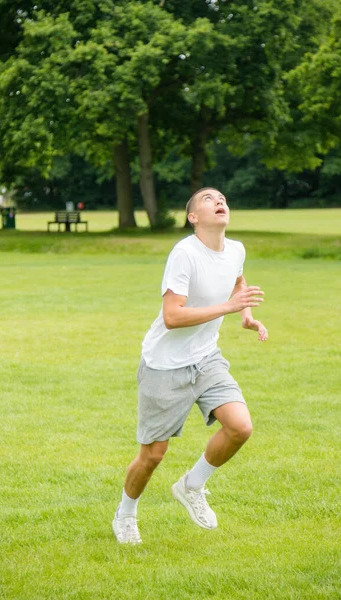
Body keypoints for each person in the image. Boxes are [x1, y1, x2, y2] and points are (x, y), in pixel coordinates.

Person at [112, 187, 268, 544]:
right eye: (208, 198)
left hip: (206, 357)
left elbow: (237, 281)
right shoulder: (184, 253)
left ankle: (191, 485)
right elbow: (172, 316)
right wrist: (228, 308)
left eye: (223, 198)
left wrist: (245, 314)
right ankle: (126, 513)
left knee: (240, 427)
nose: (219, 201)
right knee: (153, 454)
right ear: (193, 217)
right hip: (164, 364)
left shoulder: (236, 250)